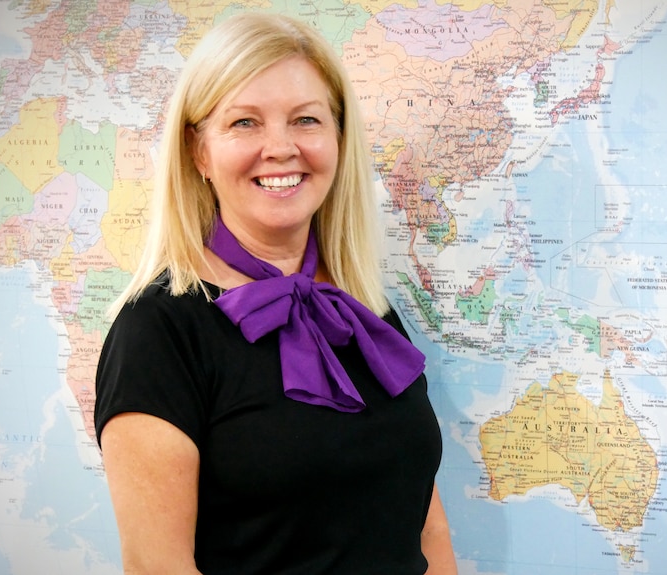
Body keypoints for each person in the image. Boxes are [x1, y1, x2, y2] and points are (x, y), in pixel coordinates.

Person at [94, 12, 457, 575]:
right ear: (199, 152)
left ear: (338, 138)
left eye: (306, 119)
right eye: (244, 123)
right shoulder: (158, 332)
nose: (280, 148)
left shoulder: (363, 309)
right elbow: (156, 567)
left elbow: (425, 525)